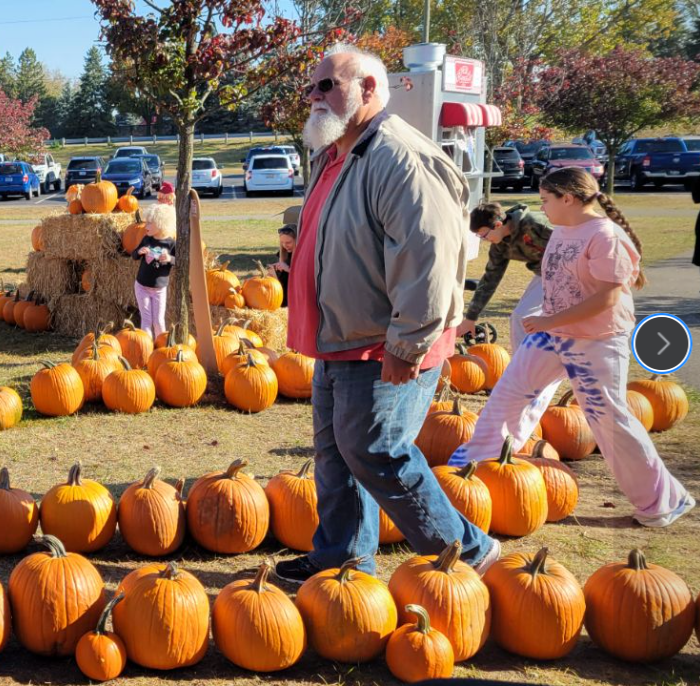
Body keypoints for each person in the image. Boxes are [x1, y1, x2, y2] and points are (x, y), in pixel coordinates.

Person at [275, 43, 498, 585]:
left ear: (369, 89)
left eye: (326, 85)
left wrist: (407, 344)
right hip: (340, 338)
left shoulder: (400, 157)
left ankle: (468, 552)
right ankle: (342, 560)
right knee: (336, 458)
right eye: (312, 87)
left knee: (376, 452)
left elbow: (429, 258)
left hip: (382, 344)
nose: (314, 96)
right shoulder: (341, 154)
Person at [450, 168, 694, 527]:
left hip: (596, 341)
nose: (541, 207)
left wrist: (548, 320)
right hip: (553, 336)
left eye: (547, 200)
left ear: (569, 198)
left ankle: (664, 501)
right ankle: (465, 473)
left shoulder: (605, 236)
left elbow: (608, 297)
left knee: (609, 421)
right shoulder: (564, 231)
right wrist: (548, 320)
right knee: (510, 393)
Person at [457, 202, 553, 351]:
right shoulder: (500, 246)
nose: (484, 240)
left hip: (574, 273)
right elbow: (489, 280)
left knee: (528, 318)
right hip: (546, 276)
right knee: (521, 318)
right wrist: (470, 318)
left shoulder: (535, 224)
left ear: (497, 225)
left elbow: (573, 239)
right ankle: (523, 364)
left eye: (483, 235)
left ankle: (526, 364)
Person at [132, 204, 176, 338]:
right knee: (146, 320)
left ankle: (160, 347)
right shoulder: (147, 239)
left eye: (150, 223)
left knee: (158, 321)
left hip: (159, 289)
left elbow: (179, 261)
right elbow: (134, 255)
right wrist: (139, 252)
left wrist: (169, 258)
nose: (146, 226)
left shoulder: (171, 244)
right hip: (142, 286)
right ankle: (147, 348)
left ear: (161, 224)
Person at [271, 226, 296, 306]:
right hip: (283, 295)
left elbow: (304, 278)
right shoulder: (283, 254)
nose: (285, 245)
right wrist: (273, 272)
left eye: (288, 242)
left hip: (295, 296)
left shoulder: (303, 255)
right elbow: (281, 280)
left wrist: (288, 269)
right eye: (282, 242)